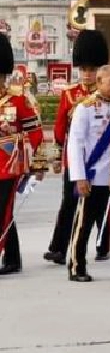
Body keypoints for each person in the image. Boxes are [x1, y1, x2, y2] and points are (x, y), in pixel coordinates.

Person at [45, 30, 110, 265]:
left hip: (101, 158)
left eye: (92, 70)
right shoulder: (70, 94)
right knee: (68, 202)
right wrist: (52, 158)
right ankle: (59, 247)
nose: (86, 74)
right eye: (83, 69)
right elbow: (60, 129)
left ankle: (102, 243)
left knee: (100, 204)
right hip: (74, 158)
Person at [66, 65, 110, 283]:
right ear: (99, 82)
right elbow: (75, 144)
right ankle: (76, 266)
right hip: (94, 174)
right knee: (84, 224)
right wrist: (79, 176)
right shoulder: (85, 107)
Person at [0, 33, 46, 276]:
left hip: (8, 165)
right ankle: (13, 258)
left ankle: (6, 256)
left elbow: (37, 134)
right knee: (4, 212)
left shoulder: (18, 101)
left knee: (3, 210)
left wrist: (39, 165)